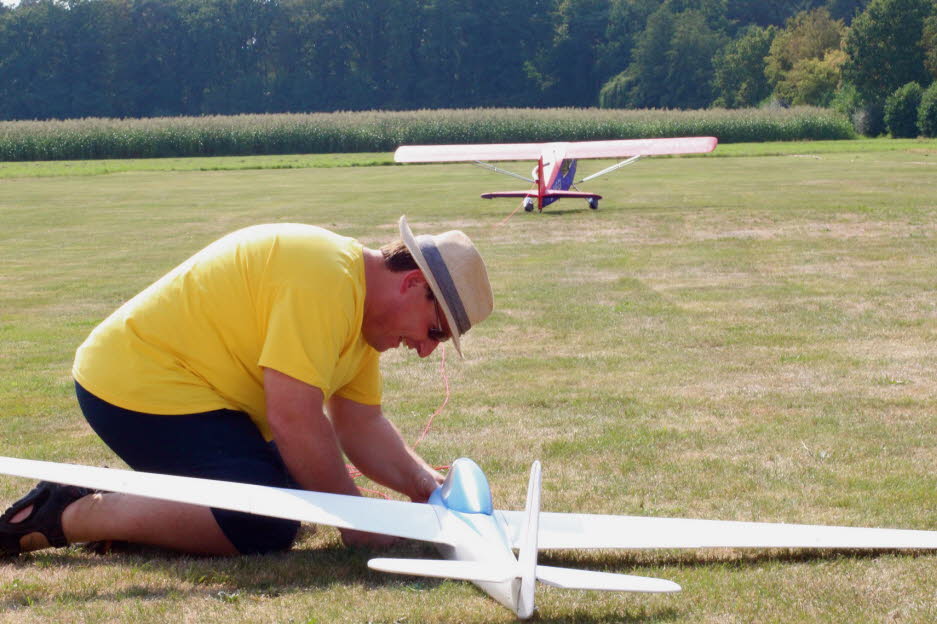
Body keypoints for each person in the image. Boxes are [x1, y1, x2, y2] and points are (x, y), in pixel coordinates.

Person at [0, 216, 493, 557]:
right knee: (263, 522)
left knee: (289, 491)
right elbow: (294, 419)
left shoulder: (362, 318)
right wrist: (357, 521)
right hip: (132, 387)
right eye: (435, 331)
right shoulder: (326, 282)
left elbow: (360, 424)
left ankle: (144, 508)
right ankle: (73, 510)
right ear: (411, 285)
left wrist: (429, 490)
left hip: (197, 398)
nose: (427, 351)